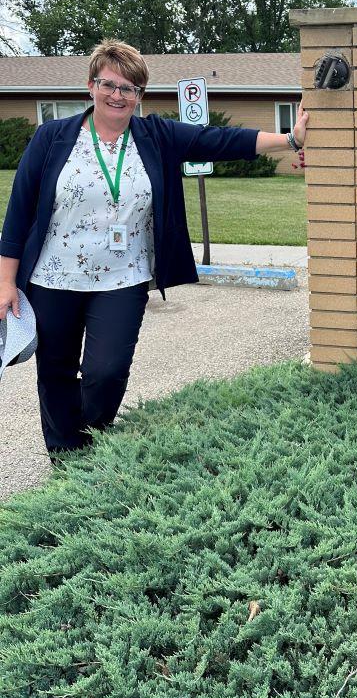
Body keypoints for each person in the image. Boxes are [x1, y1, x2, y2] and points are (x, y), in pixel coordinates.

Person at [0, 39, 308, 457]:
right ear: (91, 85)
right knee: (55, 371)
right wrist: (6, 283)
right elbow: (18, 214)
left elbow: (218, 140)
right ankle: (65, 456)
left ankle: (91, 438)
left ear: (139, 95)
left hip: (124, 278)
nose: (118, 95)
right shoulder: (53, 138)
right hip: (53, 278)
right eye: (110, 84)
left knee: (106, 372)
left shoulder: (154, 135)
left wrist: (290, 139)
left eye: (130, 88)